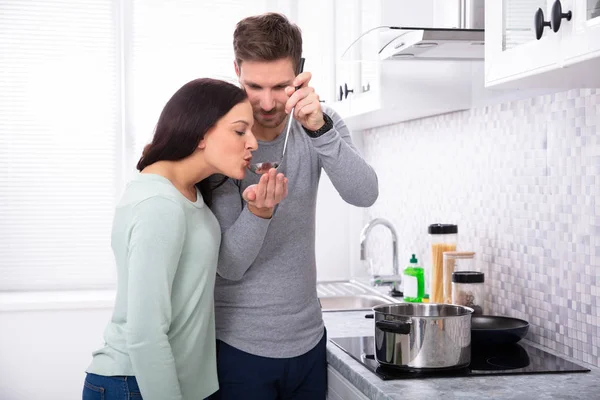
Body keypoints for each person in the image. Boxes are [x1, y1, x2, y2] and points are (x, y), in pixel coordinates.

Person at [208, 12, 379, 400]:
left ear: (299, 74)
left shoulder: (319, 123)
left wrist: (319, 129)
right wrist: (259, 213)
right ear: (236, 70)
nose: (267, 103)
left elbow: (364, 193)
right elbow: (229, 264)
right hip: (238, 348)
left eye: (280, 86)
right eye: (254, 86)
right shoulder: (224, 135)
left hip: (308, 343)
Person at [82, 78, 260, 400]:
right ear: (202, 132)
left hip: (171, 383)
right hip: (135, 385)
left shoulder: (186, 191)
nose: (253, 143)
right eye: (240, 131)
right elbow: (145, 334)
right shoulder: (159, 205)